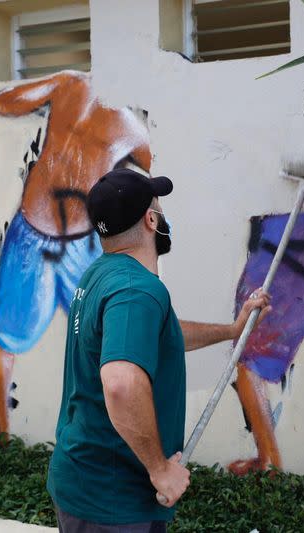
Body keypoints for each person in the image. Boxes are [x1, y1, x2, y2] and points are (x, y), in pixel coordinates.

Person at [47, 168, 271, 532]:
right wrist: (160, 469)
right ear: (151, 220)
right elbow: (120, 383)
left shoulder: (101, 275)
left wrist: (233, 330)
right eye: (159, 209)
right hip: (113, 501)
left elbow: (151, 338)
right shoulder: (137, 290)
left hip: (85, 483)